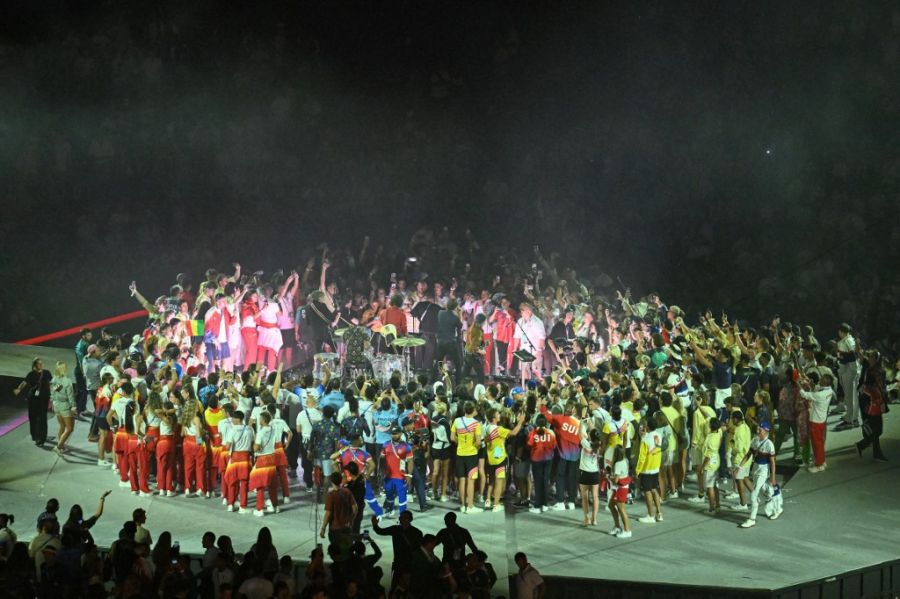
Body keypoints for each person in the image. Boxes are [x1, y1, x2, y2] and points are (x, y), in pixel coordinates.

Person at [739, 421, 781, 527]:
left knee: (754, 494)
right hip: (756, 468)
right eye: (758, 429)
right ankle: (776, 503)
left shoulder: (769, 445)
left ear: (766, 431)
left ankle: (752, 519)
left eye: (760, 429)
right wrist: (740, 466)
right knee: (763, 489)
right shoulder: (755, 440)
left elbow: (772, 462)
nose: (758, 431)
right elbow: (749, 454)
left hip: (763, 470)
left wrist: (773, 477)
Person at [484, 408, 526, 511]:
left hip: (491, 456)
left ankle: (488, 500)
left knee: (491, 480)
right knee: (499, 481)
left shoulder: (486, 428)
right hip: (499, 457)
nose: (499, 415)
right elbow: (513, 433)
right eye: (498, 414)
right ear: (493, 418)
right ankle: (496, 504)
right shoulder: (499, 430)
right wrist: (520, 422)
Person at [856, 350, 889, 462]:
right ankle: (864, 446)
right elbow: (877, 388)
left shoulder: (871, 369)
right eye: (869, 356)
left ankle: (873, 451)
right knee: (877, 429)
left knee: (876, 429)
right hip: (872, 402)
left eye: (871, 357)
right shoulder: (874, 370)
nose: (868, 358)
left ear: (875, 359)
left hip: (871, 401)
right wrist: (882, 401)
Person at [451, 401, 484, 514]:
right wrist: (474, 447)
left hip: (460, 454)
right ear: (473, 410)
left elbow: (452, 438)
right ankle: (470, 506)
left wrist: (460, 443)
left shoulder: (457, 421)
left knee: (462, 479)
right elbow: (479, 442)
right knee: (471, 481)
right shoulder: (477, 424)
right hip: (472, 455)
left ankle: (462, 505)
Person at [800, 372, 834, 473]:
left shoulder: (820, 395)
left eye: (822, 378)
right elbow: (817, 387)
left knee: (816, 444)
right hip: (821, 420)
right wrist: (809, 382)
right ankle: (821, 461)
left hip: (815, 421)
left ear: (825, 382)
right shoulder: (828, 390)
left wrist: (797, 384)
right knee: (819, 442)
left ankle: (819, 465)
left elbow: (805, 395)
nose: (820, 379)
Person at [371, 511, 423, 576]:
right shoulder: (396, 529)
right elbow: (381, 531)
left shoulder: (416, 532)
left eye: (404, 518)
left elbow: (419, 549)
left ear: (410, 519)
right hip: (399, 563)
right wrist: (375, 525)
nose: (401, 519)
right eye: (401, 517)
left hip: (409, 564)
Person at [14, 358, 52, 447]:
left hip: (43, 399)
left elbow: (52, 382)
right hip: (33, 399)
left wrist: (59, 388)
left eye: (42, 363)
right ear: (35, 365)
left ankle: (41, 438)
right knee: (33, 417)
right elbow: (24, 382)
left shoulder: (46, 373)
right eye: (39, 364)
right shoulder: (31, 374)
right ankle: (34, 436)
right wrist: (19, 389)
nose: (41, 365)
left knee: (42, 418)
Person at [320, 472, 357, 558]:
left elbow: (328, 513)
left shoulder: (330, 495)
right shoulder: (347, 492)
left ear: (331, 482)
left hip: (335, 529)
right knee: (346, 552)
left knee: (336, 553)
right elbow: (355, 508)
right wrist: (351, 520)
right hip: (346, 528)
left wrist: (323, 528)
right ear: (341, 481)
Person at [250, 411, 280, 516]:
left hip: (262, 459)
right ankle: (275, 506)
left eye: (260, 419)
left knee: (259, 485)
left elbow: (256, 447)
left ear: (263, 420)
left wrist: (254, 446)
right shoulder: (273, 429)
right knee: (272, 484)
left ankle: (259, 509)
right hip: (272, 458)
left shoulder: (261, 432)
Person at [527, 413, 557, 514]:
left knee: (538, 482)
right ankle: (545, 504)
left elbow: (529, 445)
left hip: (536, 460)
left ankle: (537, 505)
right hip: (548, 459)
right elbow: (554, 446)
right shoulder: (551, 433)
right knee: (545, 481)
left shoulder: (533, 433)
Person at [635, 419, 663, 524]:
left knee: (647, 492)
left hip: (646, 468)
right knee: (654, 489)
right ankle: (659, 513)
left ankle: (650, 515)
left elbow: (641, 458)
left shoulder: (645, 440)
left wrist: (637, 471)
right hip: (656, 466)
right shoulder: (658, 435)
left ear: (648, 427)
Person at [381, 425, 413, 516]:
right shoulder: (385, 444)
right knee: (389, 495)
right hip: (388, 476)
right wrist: (381, 472)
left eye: (396, 433)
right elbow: (382, 459)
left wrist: (409, 475)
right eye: (392, 434)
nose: (394, 435)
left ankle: (403, 515)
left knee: (402, 498)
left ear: (400, 433)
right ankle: (390, 510)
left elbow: (410, 461)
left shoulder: (406, 446)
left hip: (400, 476)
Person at [834, 323, 861, 431]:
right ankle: (854, 418)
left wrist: (838, 352)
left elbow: (851, 355)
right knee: (854, 395)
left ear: (841, 331)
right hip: (855, 369)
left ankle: (849, 420)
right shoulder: (852, 339)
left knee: (849, 396)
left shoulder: (844, 341)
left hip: (848, 370)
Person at [513, 303, 546, 385]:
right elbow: (516, 336)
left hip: (535, 351)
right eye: (521, 310)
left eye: (523, 310)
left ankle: (539, 390)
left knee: (536, 373)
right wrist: (514, 349)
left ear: (529, 311)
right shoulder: (520, 322)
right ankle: (526, 389)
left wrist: (539, 352)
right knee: (524, 370)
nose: (521, 312)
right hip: (524, 351)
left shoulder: (537, 322)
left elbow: (542, 338)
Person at [49, 361, 76, 453]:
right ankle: (59, 446)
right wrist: (73, 406)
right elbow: (70, 396)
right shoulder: (67, 381)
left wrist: (52, 403)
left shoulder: (54, 379)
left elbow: (52, 393)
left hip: (56, 405)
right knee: (69, 428)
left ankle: (62, 446)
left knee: (62, 426)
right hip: (65, 406)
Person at [606, 445, 632, 538]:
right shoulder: (625, 460)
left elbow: (616, 480)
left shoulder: (618, 464)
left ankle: (627, 530)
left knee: (621, 509)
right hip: (622, 487)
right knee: (611, 505)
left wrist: (608, 476)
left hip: (620, 488)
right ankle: (617, 526)